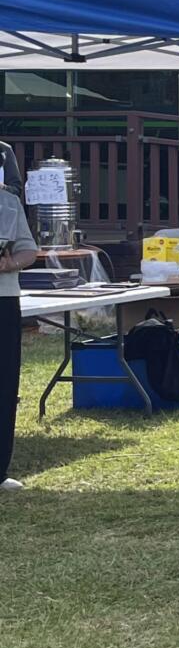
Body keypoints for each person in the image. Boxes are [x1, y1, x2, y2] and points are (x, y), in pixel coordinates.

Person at [0, 182, 41, 492]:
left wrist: (11, 263)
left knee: (4, 382)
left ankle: (0, 469)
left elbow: (29, 250)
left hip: (4, 298)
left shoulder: (8, 201)